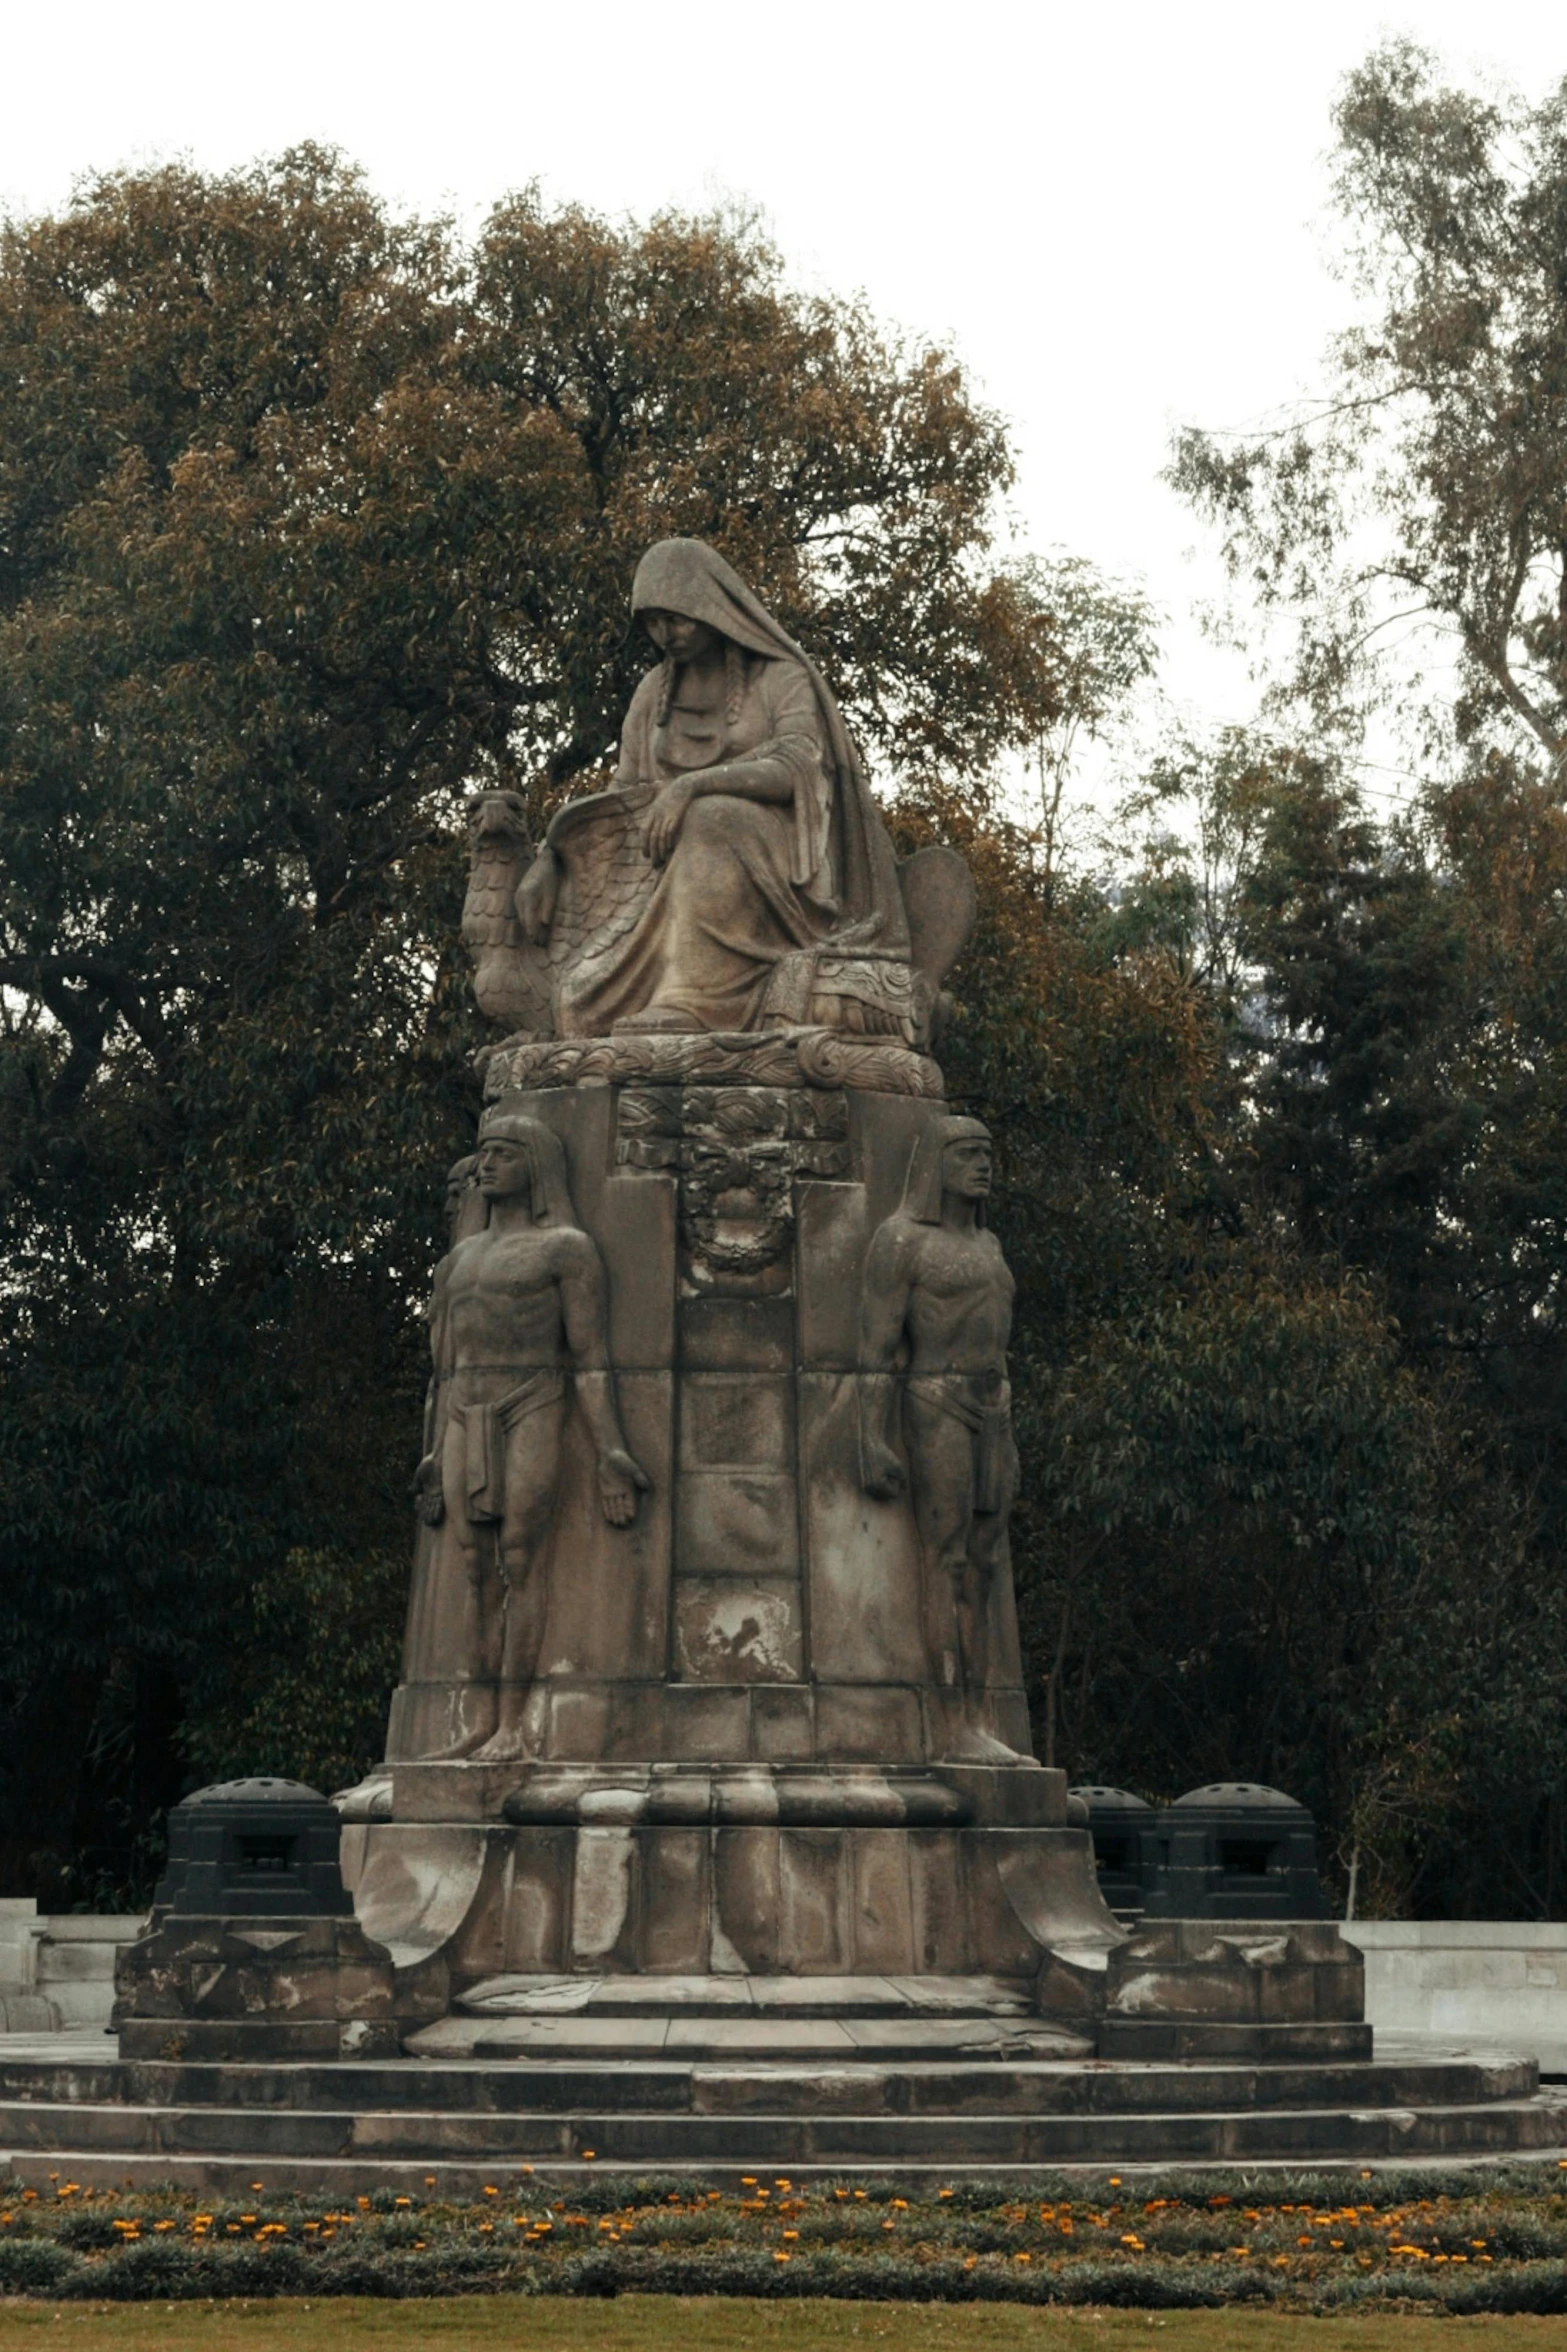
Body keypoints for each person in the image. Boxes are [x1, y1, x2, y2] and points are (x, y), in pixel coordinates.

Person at [517, 538, 909, 1035]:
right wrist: (554, 853)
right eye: (653, 623)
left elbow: (797, 767)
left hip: (769, 858)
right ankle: (651, 991)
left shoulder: (780, 677)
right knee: (577, 1005)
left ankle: (694, 1003)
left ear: (713, 609)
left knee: (713, 816)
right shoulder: (650, 694)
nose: (666, 634)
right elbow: (624, 799)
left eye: (677, 618)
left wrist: (692, 788)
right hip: (662, 866)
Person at [415, 1112, 648, 1761]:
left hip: (532, 1400)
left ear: (535, 1168)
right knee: (474, 1569)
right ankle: (480, 1720)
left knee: (520, 1555)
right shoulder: (460, 1260)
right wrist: (432, 1453)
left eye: (503, 1154)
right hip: (465, 1408)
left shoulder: (565, 1249)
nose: (486, 1165)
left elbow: (589, 1355)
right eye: (483, 1152)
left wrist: (610, 1451)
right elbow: (444, 1366)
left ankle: (516, 1725)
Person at [859, 1115, 1025, 1763]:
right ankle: (951, 1718)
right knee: (947, 1557)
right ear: (935, 1164)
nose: (982, 1166)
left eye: (987, 1154)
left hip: (994, 1410)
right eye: (966, 1155)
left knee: (983, 1562)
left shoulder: (989, 1246)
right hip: (933, 1401)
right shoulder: (901, 1241)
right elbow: (876, 1345)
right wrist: (871, 1435)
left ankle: (977, 1712)